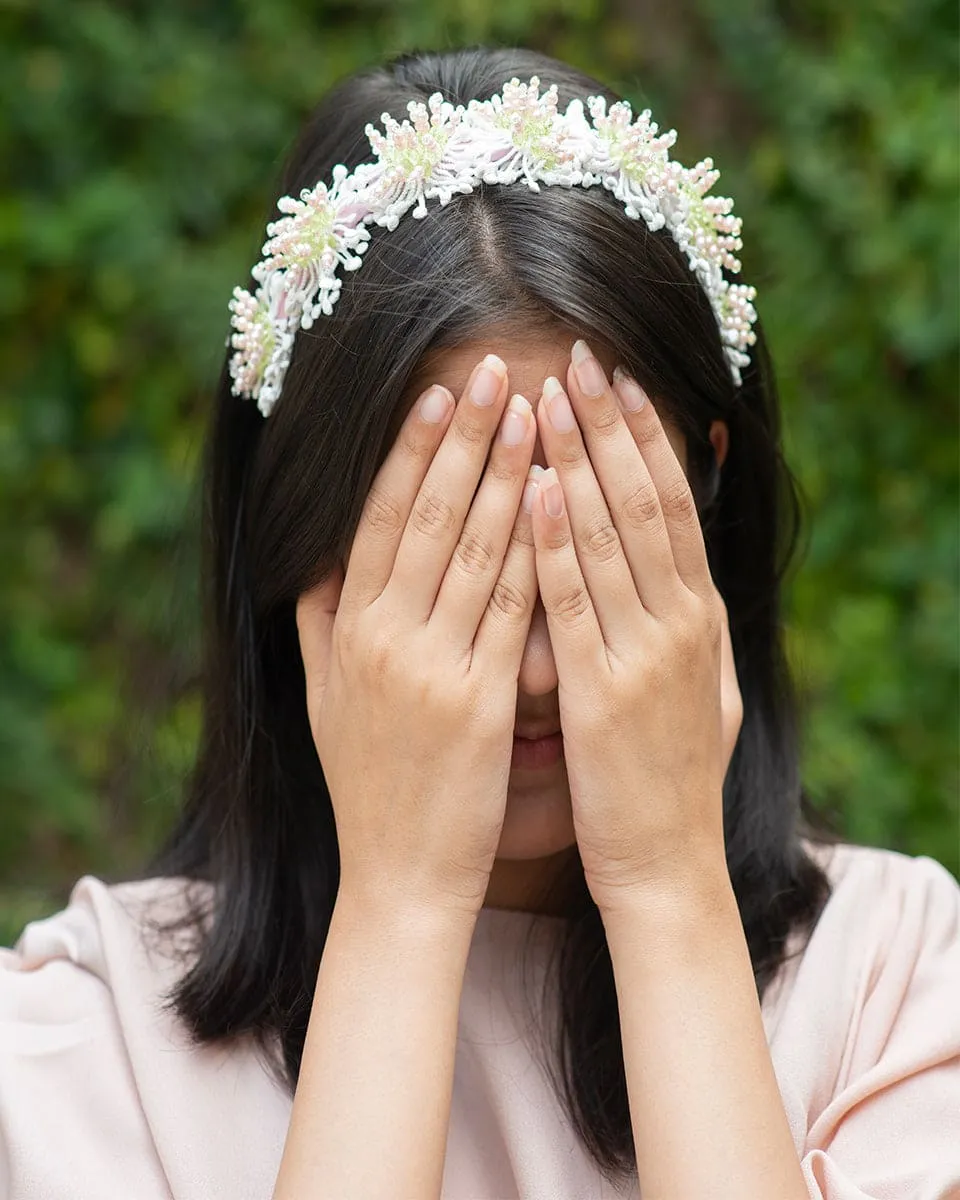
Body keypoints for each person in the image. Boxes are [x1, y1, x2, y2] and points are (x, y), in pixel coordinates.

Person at [1, 45, 957, 1200]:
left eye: (595, 540)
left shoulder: (898, 986)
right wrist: (401, 909)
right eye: (457, 560)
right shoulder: (82, 1047)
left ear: (702, 501)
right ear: (300, 540)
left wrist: (667, 891)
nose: (539, 669)